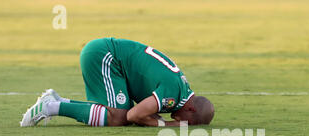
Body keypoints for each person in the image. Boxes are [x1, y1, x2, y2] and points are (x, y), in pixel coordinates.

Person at [20, 38, 214, 127]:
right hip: (105, 56)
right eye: (189, 123)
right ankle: (50, 107)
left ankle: (57, 100)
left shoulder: (181, 89)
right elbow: (134, 115)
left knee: (119, 112)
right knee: (118, 118)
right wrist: (166, 125)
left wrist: (152, 118)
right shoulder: (174, 95)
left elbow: (145, 112)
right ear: (191, 110)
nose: (183, 124)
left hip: (108, 55)